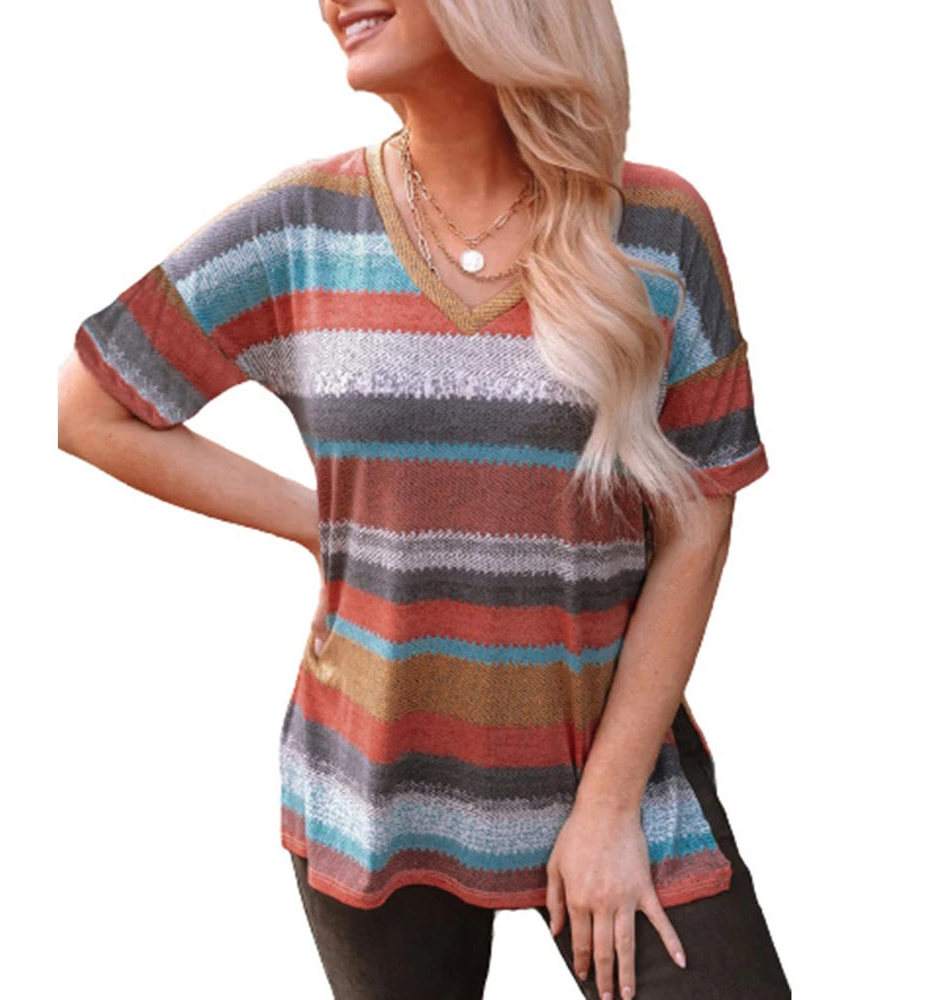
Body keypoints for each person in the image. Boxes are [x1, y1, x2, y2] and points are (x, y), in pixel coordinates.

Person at [57, 1, 791, 997]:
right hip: (374, 785)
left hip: (616, 768)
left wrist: (608, 806)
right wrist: (318, 524)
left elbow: (698, 521)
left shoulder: (656, 227)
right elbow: (89, 408)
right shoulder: (301, 225)